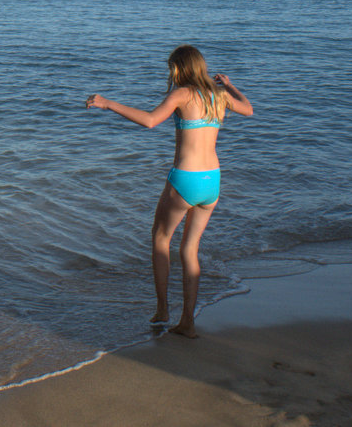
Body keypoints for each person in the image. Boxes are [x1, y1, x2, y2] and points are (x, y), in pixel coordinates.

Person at [85, 45, 252, 338]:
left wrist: (108, 103)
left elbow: (150, 121)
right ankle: (187, 322)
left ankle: (163, 309)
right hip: (212, 181)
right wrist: (229, 85)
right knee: (190, 248)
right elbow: (249, 109)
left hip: (186, 179)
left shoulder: (181, 95)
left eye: (171, 68)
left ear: (179, 68)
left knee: (160, 238)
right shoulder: (219, 95)